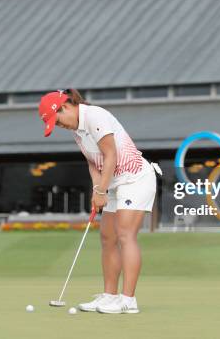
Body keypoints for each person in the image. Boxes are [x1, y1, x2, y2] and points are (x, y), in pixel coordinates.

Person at [39, 88, 158, 314]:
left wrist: (101, 191)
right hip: (112, 182)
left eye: (57, 120)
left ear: (65, 107)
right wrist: (97, 190)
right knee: (107, 237)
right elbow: (94, 162)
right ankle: (110, 296)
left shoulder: (94, 116)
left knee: (125, 234)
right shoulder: (78, 131)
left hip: (135, 178)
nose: (59, 126)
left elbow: (110, 154)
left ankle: (128, 300)